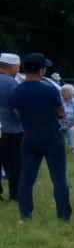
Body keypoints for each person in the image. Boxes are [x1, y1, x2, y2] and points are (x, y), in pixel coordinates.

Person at [10, 53, 71, 221]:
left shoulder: (17, 91)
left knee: (27, 178)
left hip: (29, 137)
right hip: (52, 137)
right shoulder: (49, 89)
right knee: (59, 178)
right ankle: (64, 215)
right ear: (41, 71)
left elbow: (16, 113)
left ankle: (26, 214)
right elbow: (61, 113)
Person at [0, 52, 22, 201]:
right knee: (14, 164)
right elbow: (17, 108)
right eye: (18, 67)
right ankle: (15, 195)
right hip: (11, 130)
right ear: (12, 67)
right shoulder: (12, 83)